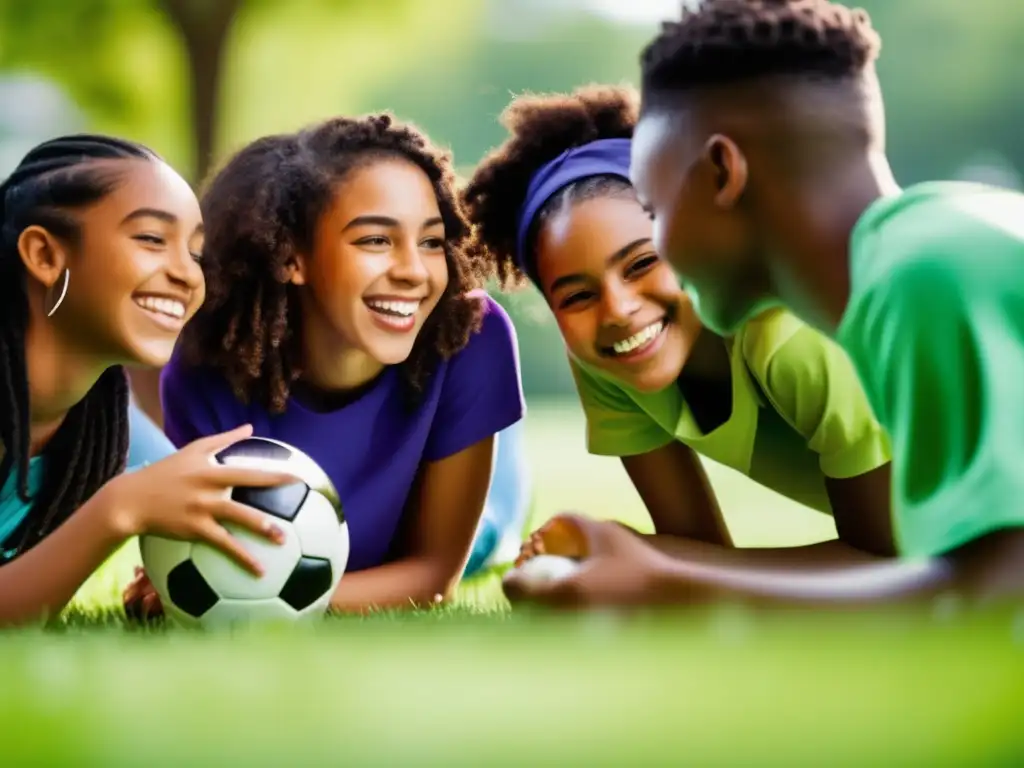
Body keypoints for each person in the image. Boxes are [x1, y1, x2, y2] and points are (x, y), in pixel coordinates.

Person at [504, 0, 1024, 609]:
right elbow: (969, 566)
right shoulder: (924, 255)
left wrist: (666, 579)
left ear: (723, 172)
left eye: (656, 208)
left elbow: (997, 588)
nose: (662, 243)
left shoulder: (926, 274)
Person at [462, 84, 893, 581]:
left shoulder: (790, 331)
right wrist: (613, 562)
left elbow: (891, 562)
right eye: (577, 296)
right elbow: (702, 553)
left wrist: (638, 558)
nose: (618, 310)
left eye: (643, 263)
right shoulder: (608, 362)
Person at [140, 114, 525, 614]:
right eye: (376, 241)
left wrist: (271, 607)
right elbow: (213, 559)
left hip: (478, 509)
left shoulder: (473, 335)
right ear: (290, 258)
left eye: (430, 241)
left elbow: (433, 576)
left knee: (493, 536)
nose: (413, 271)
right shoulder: (205, 367)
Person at [0, 135, 294, 627]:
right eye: (152, 239)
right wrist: (119, 510)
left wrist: (190, 576)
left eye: (196, 253)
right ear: (45, 256)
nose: (187, 274)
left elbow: (218, 512)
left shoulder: (108, 428)